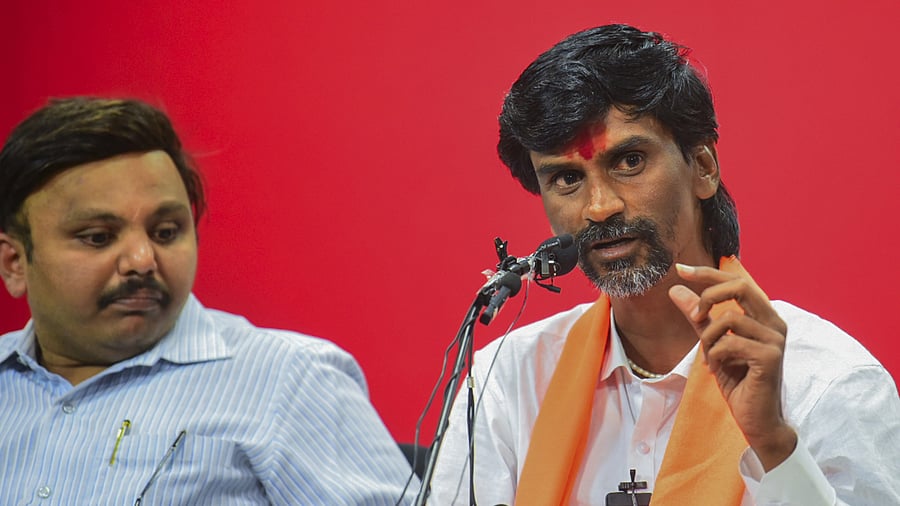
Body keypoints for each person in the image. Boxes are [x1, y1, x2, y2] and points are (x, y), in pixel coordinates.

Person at [429, 24, 900, 505]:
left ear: (703, 167)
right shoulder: (509, 382)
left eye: (629, 161)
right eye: (567, 178)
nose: (599, 207)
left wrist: (775, 445)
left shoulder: (828, 384)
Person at [0, 97, 416, 505]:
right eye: (99, 237)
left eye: (165, 232)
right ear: (14, 262)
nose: (143, 261)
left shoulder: (290, 378)